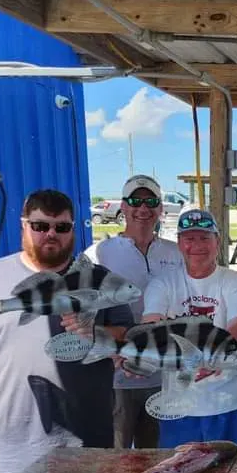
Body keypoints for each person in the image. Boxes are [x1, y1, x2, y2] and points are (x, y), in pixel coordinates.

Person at [0, 189, 134, 473]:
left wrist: (96, 334)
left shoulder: (101, 280)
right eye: (40, 226)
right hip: (5, 456)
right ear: (24, 225)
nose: (51, 234)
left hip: (86, 451)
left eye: (61, 227)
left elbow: (128, 337)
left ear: (73, 229)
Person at [141, 208, 237, 449]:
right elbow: (151, 325)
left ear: (217, 241)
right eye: (189, 238)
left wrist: (212, 356)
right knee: (177, 470)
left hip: (232, 403)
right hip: (179, 406)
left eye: (204, 238)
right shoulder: (162, 283)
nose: (197, 245)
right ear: (179, 243)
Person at [84, 174, 183, 449]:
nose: (143, 208)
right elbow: (81, 315)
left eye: (151, 202)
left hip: (166, 378)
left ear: (160, 208)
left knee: (161, 459)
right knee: (113, 459)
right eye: (135, 201)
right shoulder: (97, 254)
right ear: (124, 206)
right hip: (115, 379)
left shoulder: (177, 253)